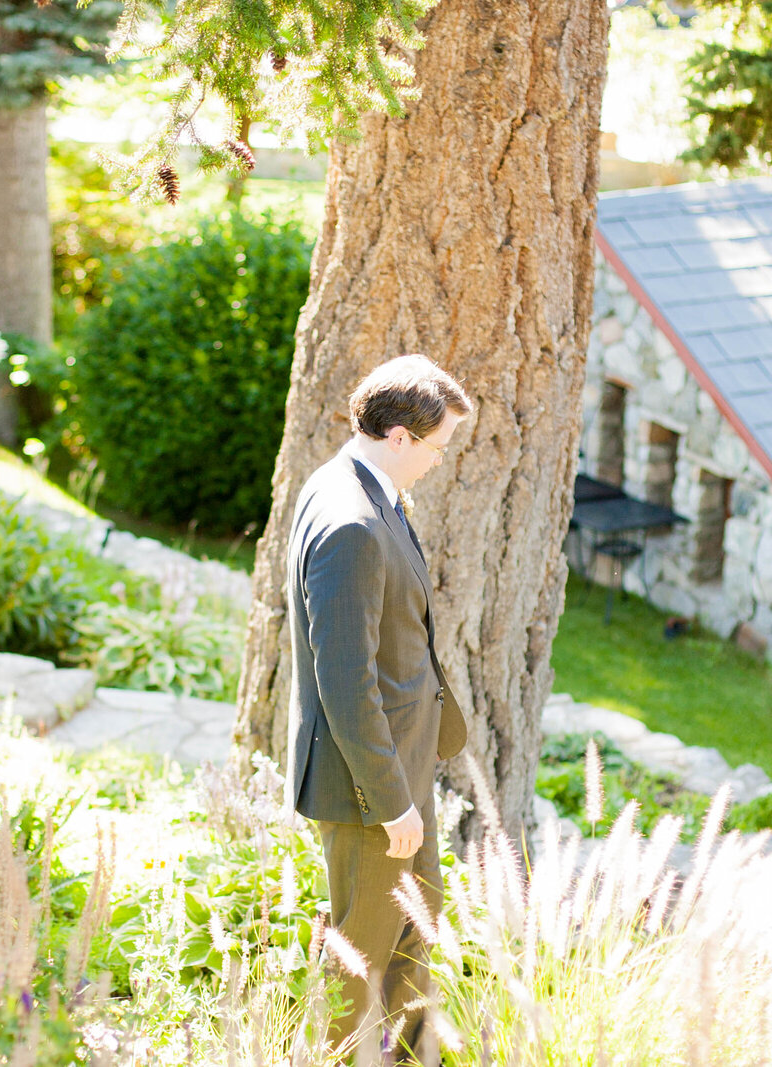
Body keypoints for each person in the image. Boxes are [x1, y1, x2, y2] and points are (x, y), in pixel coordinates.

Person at [285, 353, 473, 1063]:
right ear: (398, 435)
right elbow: (344, 681)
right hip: (370, 789)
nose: (438, 459)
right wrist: (392, 802)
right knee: (357, 963)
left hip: (403, 766)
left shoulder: (358, 486)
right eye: (436, 444)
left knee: (413, 940)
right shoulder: (350, 523)